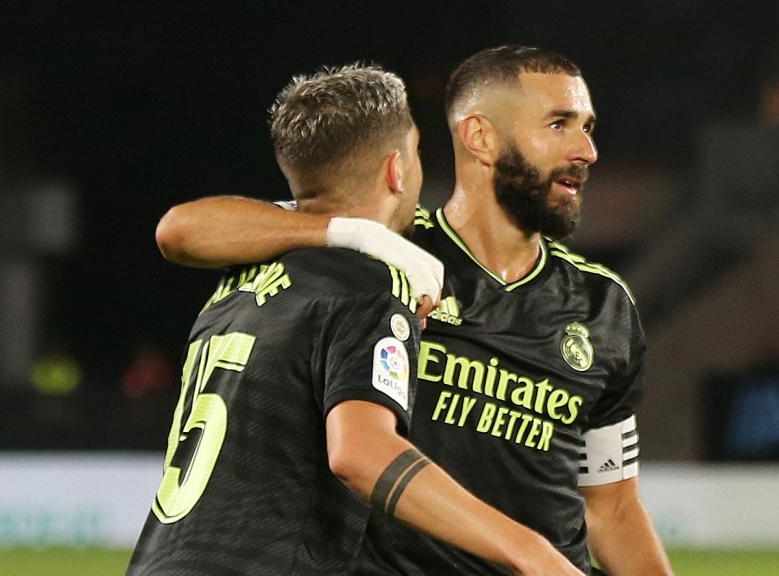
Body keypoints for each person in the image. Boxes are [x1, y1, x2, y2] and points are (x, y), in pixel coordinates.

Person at [154, 47, 672, 576]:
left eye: (588, 126)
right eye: (559, 124)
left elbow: (613, 508)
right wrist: (349, 233)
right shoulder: (383, 252)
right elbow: (185, 229)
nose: (587, 149)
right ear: (481, 138)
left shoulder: (604, 305)